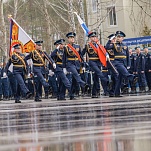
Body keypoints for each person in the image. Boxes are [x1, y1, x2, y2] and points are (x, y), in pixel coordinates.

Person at [105, 31, 138, 97]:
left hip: (124, 62)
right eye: (118, 37)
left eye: (120, 37)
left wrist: (128, 64)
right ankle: (133, 77)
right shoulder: (114, 44)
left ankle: (117, 93)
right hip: (117, 62)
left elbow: (127, 55)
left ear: (123, 38)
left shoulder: (125, 45)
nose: (119, 38)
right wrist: (110, 40)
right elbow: (107, 47)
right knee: (125, 72)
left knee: (119, 79)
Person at [82, 32, 109, 96]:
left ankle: (94, 93)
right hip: (92, 61)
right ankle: (105, 80)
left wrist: (106, 55)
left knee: (95, 77)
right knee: (99, 72)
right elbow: (82, 53)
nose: (94, 38)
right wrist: (82, 62)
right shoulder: (87, 45)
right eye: (92, 37)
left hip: (98, 61)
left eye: (95, 37)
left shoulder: (99, 45)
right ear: (90, 38)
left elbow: (104, 51)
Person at [63, 32, 87, 100]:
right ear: (68, 39)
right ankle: (83, 83)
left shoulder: (77, 46)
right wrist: (64, 67)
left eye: (73, 37)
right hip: (70, 64)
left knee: (74, 81)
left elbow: (80, 56)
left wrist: (83, 65)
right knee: (76, 75)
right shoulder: (66, 47)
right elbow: (64, 58)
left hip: (77, 64)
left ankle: (71, 95)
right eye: (71, 38)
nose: (72, 39)